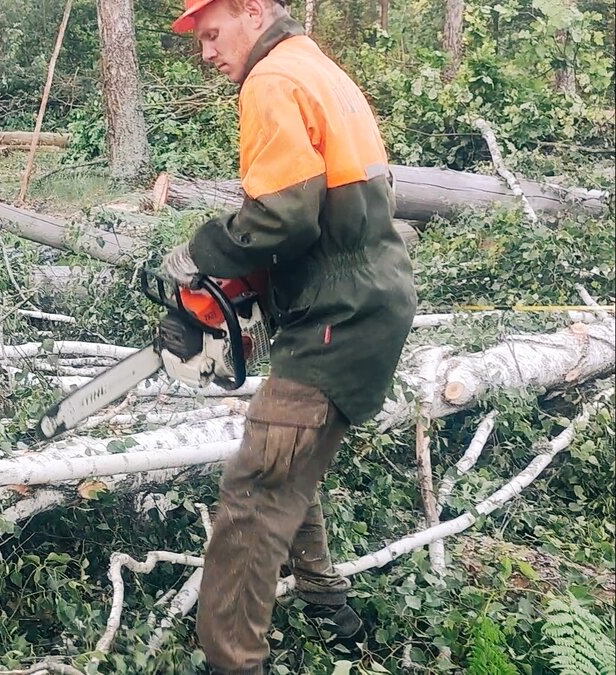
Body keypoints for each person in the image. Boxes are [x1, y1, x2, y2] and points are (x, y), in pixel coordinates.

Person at [159, 0, 417, 672]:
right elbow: (325, 211)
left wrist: (203, 251)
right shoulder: (315, 66)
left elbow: (284, 217)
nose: (206, 53)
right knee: (289, 453)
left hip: (339, 316)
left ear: (250, 10)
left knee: (255, 490)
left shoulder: (270, 79)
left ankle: (233, 661)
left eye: (212, 34)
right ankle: (330, 608)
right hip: (365, 299)